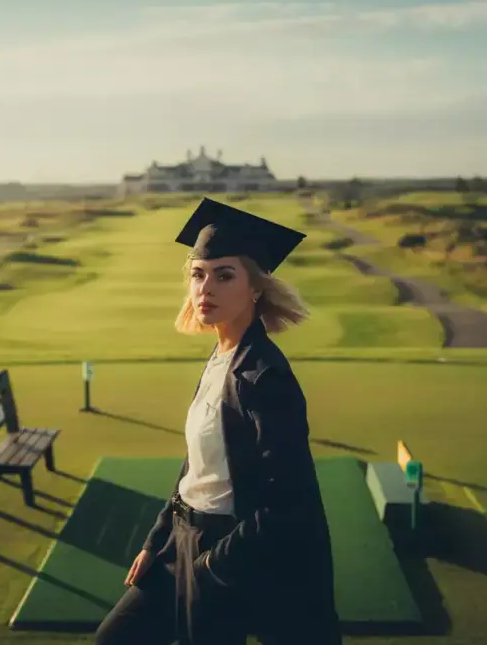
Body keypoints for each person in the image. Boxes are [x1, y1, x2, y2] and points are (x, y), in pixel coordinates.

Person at [95, 197, 342, 645]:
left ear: (255, 289)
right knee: (114, 638)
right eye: (198, 274)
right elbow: (196, 468)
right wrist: (156, 540)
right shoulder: (222, 357)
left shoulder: (265, 376)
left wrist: (214, 563)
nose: (205, 288)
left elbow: (288, 500)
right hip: (180, 539)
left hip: (224, 550)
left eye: (224, 275)